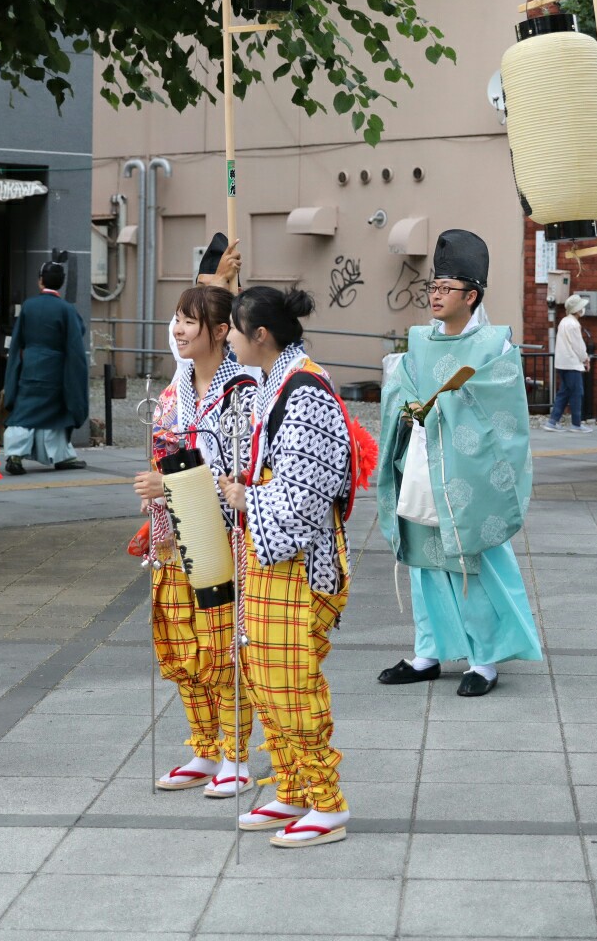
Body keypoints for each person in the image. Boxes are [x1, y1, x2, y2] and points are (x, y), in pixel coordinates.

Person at [217, 287, 368, 848]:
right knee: (262, 677)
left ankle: (326, 803)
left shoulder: (304, 390)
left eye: (234, 329)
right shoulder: (277, 381)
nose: (228, 338)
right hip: (271, 555)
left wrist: (246, 500)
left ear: (261, 336)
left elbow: (306, 495)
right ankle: (294, 786)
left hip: (297, 561)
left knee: (289, 684)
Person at [376, 230, 543, 698]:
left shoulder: (495, 346)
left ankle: (484, 658)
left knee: (471, 562)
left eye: (446, 289)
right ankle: (428, 651)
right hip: (422, 465)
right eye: (432, 287)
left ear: (472, 295)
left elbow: (505, 410)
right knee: (422, 558)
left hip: (468, 472)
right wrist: (410, 406)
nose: (435, 295)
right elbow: (400, 391)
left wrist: (447, 404)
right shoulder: (417, 341)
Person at [132, 285, 261, 798]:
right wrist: (156, 490)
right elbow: (162, 455)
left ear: (221, 330)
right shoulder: (171, 393)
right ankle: (205, 746)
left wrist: (169, 485)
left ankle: (236, 753)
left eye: (190, 321)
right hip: (174, 533)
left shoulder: (245, 391)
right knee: (181, 641)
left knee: (223, 643)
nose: (180, 330)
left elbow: (239, 472)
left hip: (222, 534)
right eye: (178, 320)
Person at [2, 250, 91, 474]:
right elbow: (75, 339)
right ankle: (61, 456)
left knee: (24, 410)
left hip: (30, 366)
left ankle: (14, 453)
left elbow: (18, 340)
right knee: (56, 414)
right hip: (56, 368)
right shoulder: (66, 309)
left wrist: (15, 367)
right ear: (61, 283)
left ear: (40, 280)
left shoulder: (29, 306)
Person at [546, 294, 592, 431]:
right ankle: (576, 424)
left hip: (561, 363)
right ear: (577, 310)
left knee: (564, 392)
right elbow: (578, 345)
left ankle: (552, 421)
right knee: (577, 393)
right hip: (572, 363)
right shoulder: (574, 324)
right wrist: (585, 359)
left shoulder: (564, 322)